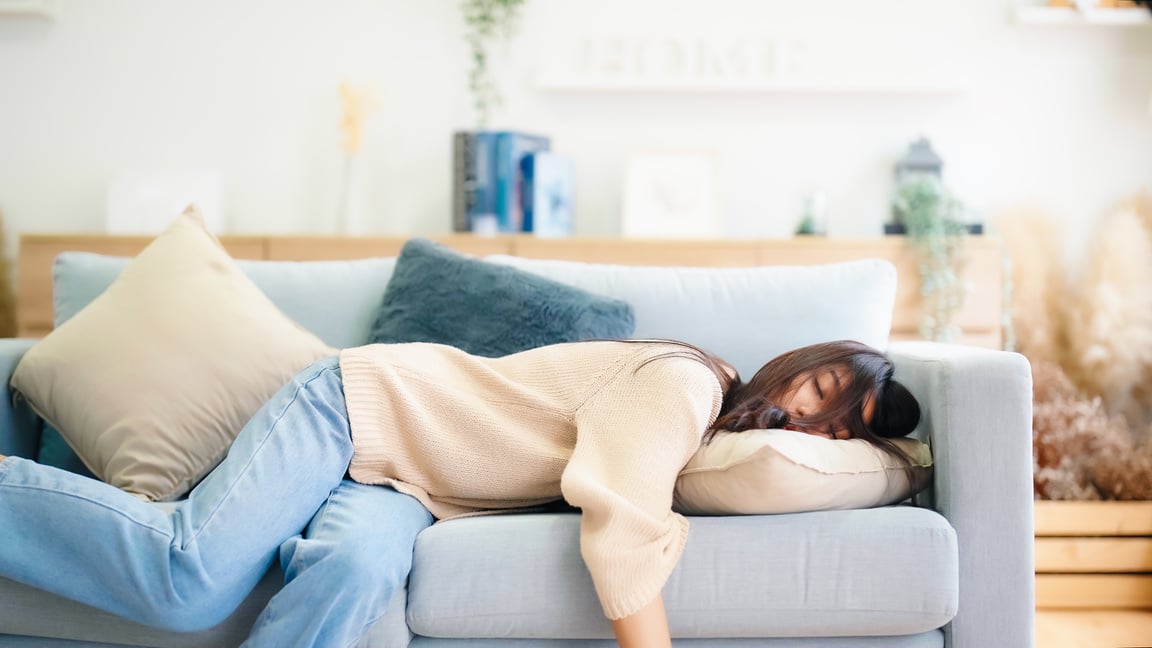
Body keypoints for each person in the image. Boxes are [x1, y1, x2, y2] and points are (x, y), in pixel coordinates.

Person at [0, 338, 919, 648]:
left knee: (356, 578)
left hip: (412, 485)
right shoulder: (687, 383)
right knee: (189, 578)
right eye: (825, 391)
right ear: (799, 363)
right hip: (357, 412)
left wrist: (903, 460)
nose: (819, 424)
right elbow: (623, 516)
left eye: (846, 427)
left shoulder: (717, 439)